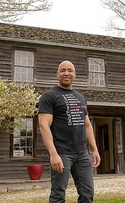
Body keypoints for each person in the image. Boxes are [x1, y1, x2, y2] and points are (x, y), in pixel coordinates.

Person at [38, 60, 101, 203]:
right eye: (63, 70)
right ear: (57, 74)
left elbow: (87, 126)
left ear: (75, 74)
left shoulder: (81, 98)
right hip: (62, 153)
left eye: (70, 70)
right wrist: (53, 154)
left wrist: (95, 150)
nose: (67, 73)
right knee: (58, 195)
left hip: (82, 154)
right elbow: (43, 125)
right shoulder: (49, 96)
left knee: (87, 194)